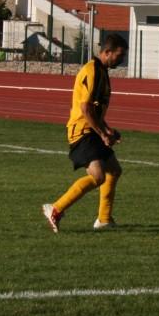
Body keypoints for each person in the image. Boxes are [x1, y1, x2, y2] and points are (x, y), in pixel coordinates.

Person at [42, 34, 128, 233]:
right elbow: (86, 108)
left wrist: (107, 129)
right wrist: (103, 133)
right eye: (119, 55)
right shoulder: (92, 71)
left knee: (113, 170)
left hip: (92, 130)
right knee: (98, 176)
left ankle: (104, 219)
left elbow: (95, 111)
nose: (121, 60)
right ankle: (55, 208)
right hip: (82, 131)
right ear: (107, 52)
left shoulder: (102, 71)